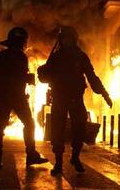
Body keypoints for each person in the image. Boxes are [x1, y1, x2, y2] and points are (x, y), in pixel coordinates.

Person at [38, 26, 112, 176]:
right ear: (61, 40)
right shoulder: (56, 57)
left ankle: (75, 157)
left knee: (80, 128)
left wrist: (103, 93)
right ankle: (58, 163)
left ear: (74, 39)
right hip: (59, 98)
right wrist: (43, 72)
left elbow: (92, 76)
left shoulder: (81, 57)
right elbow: (45, 76)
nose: (67, 41)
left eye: (69, 38)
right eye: (64, 38)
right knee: (57, 131)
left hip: (76, 98)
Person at [0, 27, 48, 170]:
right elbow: (14, 76)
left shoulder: (1, 56)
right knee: (29, 124)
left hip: (5, 96)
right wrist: (27, 79)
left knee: (0, 127)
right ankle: (31, 154)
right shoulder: (20, 57)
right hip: (16, 96)